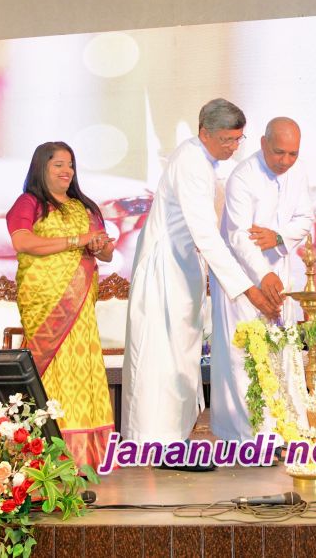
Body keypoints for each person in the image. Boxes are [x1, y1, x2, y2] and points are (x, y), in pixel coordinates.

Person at [122, 99, 279, 463]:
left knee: (181, 358)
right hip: (164, 272)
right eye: (227, 139)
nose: (233, 147)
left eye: (238, 139)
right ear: (204, 133)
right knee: (161, 361)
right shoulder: (192, 163)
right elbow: (206, 235)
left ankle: (172, 441)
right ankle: (154, 445)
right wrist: (249, 291)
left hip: (182, 270)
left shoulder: (202, 160)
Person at [6, 141, 115, 468]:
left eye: (70, 165)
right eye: (58, 165)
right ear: (42, 167)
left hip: (79, 303)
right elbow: (22, 241)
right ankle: (45, 453)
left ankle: (84, 456)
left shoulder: (85, 207)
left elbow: (107, 253)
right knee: (51, 369)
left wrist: (98, 245)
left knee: (81, 367)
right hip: (45, 301)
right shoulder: (29, 203)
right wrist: (77, 240)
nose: (67, 171)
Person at [210, 117, 314, 443]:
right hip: (243, 280)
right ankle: (249, 438)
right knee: (246, 359)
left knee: (282, 353)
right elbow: (238, 236)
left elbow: (305, 219)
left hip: (278, 273)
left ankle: (286, 433)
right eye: (279, 152)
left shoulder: (297, 172)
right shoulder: (243, 177)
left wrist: (278, 237)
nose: (286, 161)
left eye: (293, 154)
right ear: (263, 144)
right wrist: (263, 275)